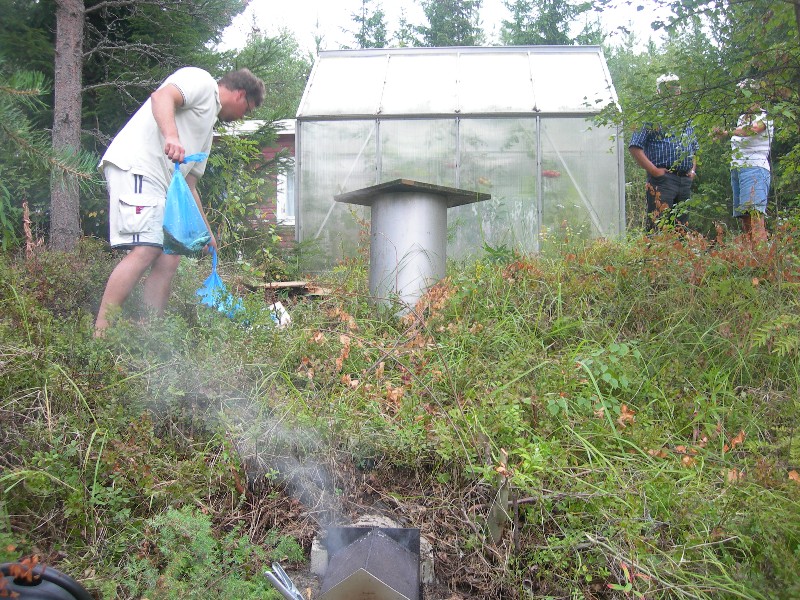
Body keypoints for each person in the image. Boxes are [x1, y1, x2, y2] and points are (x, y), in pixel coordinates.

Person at [95, 67, 265, 335]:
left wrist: (207, 232)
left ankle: (149, 333)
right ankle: (100, 335)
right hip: (138, 168)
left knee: (170, 257)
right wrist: (171, 136)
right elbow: (161, 97)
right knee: (147, 249)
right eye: (248, 109)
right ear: (241, 95)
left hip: (159, 184)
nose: (244, 116)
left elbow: (190, 185)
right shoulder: (202, 81)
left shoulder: (207, 130)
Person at [628, 74, 699, 230]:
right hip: (662, 180)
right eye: (666, 88)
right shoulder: (649, 116)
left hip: (685, 180)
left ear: (679, 90)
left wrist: (692, 171)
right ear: (658, 91)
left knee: (682, 228)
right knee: (659, 227)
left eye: (674, 87)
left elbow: (694, 149)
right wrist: (655, 172)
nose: (671, 91)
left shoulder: (686, 117)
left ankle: (679, 254)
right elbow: (635, 146)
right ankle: (655, 254)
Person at [713, 90, 773, 244]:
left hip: (755, 168)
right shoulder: (741, 119)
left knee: (755, 216)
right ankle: (750, 261)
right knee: (744, 218)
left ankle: (764, 261)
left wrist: (726, 132)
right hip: (738, 170)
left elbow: (752, 130)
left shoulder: (765, 116)